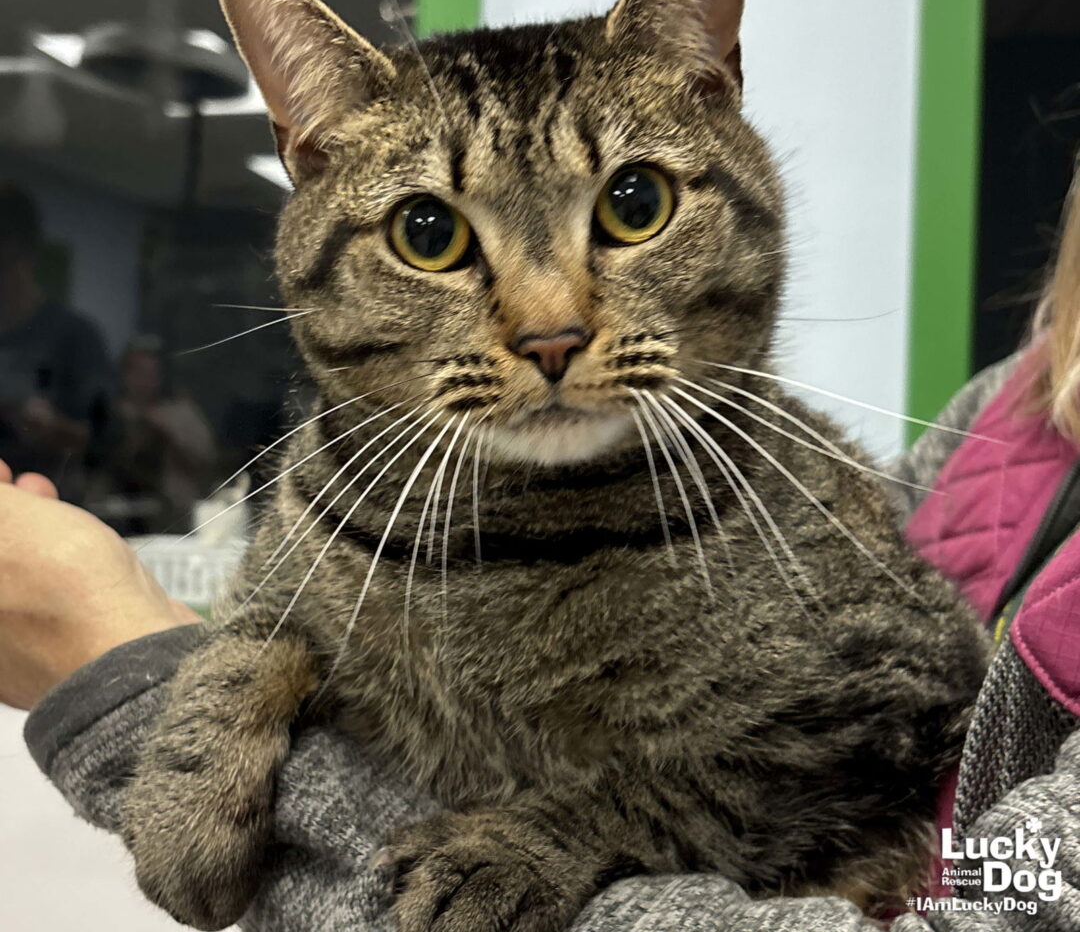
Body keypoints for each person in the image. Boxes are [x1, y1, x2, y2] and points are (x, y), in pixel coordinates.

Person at [6, 175, 1080, 928]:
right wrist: (229, 684)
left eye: (631, 208)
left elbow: (905, 706)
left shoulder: (764, 478)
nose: (549, 326)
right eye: (432, 233)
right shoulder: (1011, 409)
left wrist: (591, 832)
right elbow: (277, 617)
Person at [0, 182, 113, 503]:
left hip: (47, 507)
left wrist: (51, 426)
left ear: (17, 248)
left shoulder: (74, 336)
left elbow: (105, 440)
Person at [88, 335, 217, 534]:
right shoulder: (107, 414)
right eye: (138, 372)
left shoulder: (181, 414)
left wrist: (165, 432)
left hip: (171, 516)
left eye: (152, 373)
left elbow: (205, 466)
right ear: (124, 374)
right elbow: (94, 464)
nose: (145, 381)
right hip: (112, 513)